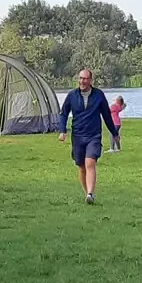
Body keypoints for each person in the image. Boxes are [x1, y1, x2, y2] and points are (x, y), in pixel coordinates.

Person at [57, 68, 118, 204]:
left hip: (93, 135)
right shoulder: (72, 95)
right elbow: (64, 113)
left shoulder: (99, 95)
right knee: (81, 166)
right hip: (78, 136)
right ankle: (87, 194)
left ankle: (90, 193)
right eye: (80, 78)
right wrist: (63, 130)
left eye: (85, 79)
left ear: (90, 80)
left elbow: (107, 116)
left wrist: (114, 133)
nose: (82, 81)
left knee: (90, 163)